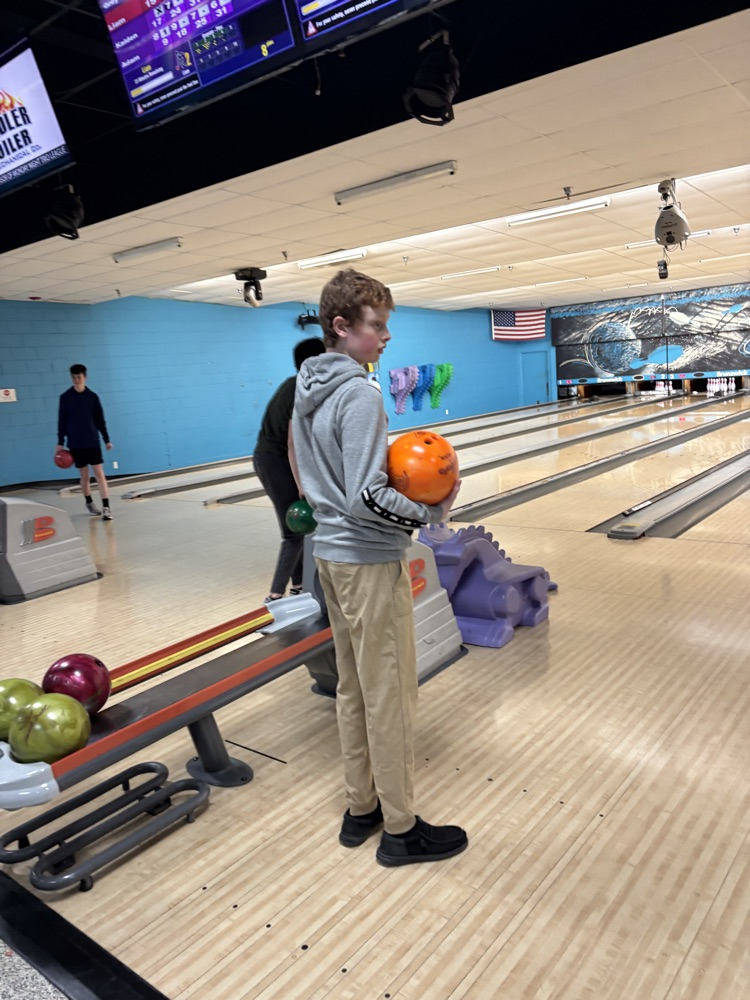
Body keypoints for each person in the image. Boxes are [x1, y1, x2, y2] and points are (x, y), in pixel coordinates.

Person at [292, 269, 467, 867]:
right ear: (343, 328)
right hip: (367, 562)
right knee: (388, 694)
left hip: (330, 560)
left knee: (353, 688)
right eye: (377, 325)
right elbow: (368, 494)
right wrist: (432, 510)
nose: (386, 336)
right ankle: (400, 828)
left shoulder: (306, 385)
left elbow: (317, 479)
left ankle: (360, 807)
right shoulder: (360, 394)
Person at [254, 337, 326, 603]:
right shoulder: (301, 389)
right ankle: (275, 594)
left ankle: (298, 585)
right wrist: (301, 482)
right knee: (294, 529)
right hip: (276, 460)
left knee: (300, 526)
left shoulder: (292, 383)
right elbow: (292, 442)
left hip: (269, 458)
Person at [56, 364, 114, 520]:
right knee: (84, 477)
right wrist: (60, 442)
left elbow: (100, 420)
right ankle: (89, 503)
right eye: (73, 377)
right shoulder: (65, 398)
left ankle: (106, 507)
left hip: (92, 441)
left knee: (99, 474)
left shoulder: (93, 397)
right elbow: (62, 421)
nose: (76, 380)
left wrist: (106, 439)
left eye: (79, 377)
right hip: (76, 443)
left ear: (85, 377)